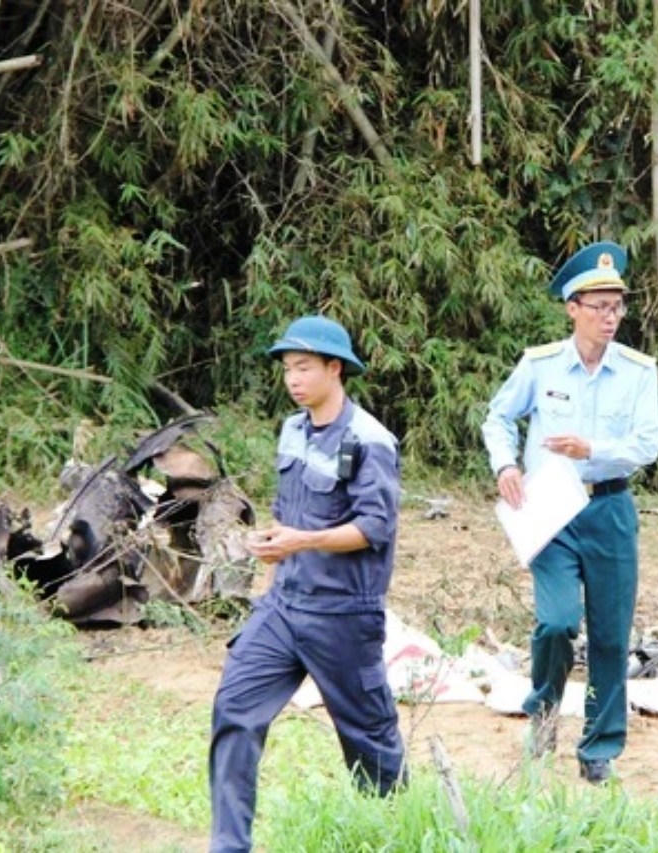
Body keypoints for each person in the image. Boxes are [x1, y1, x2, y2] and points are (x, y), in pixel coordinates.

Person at [208, 315, 406, 852]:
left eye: (303, 368)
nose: (293, 380)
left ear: (334, 369)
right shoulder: (293, 428)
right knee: (234, 710)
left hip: (344, 613)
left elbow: (375, 528)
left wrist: (300, 541)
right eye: (287, 369)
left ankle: (396, 835)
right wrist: (274, 540)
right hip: (283, 605)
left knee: (369, 742)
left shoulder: (370, 440)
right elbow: (293, 512)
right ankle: (228, 846)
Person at [481, 241, 658, 783]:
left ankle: (599, 748)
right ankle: (543, 717)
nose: (611, 317)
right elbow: (497, 417)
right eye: (599, 306)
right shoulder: (539, 365)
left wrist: (595, 452)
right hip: (551, 512)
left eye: (618, 306)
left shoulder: (638, 370)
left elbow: (648, 443)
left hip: (608, 506)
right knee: (557, 622)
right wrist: (505, 465)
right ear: (572, 308)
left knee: (610, 634)